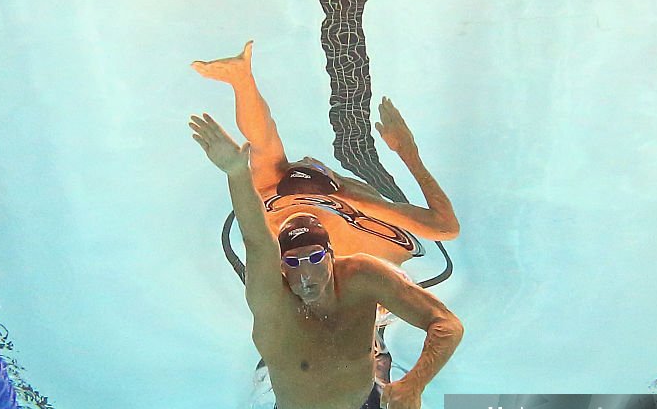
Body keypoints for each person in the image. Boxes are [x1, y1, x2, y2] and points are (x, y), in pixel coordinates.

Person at [189, 113, 463, 409]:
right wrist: (237, 174)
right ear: (281, 268)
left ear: (332, 255)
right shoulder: (271, 299)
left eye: (315, 258)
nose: (305, 274)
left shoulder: (363, 276)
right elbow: (257, 242)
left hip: (365, 405)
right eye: (293, 263)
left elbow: (447, 324)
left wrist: (412, 386)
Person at [192, 41, 459, 266]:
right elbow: (446, 228)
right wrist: (407, 152)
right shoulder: (358, 207)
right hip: (371, 250)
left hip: (353, 252)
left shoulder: (270, 200)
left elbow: (264, 140)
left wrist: (242, 82)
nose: (308, 158)